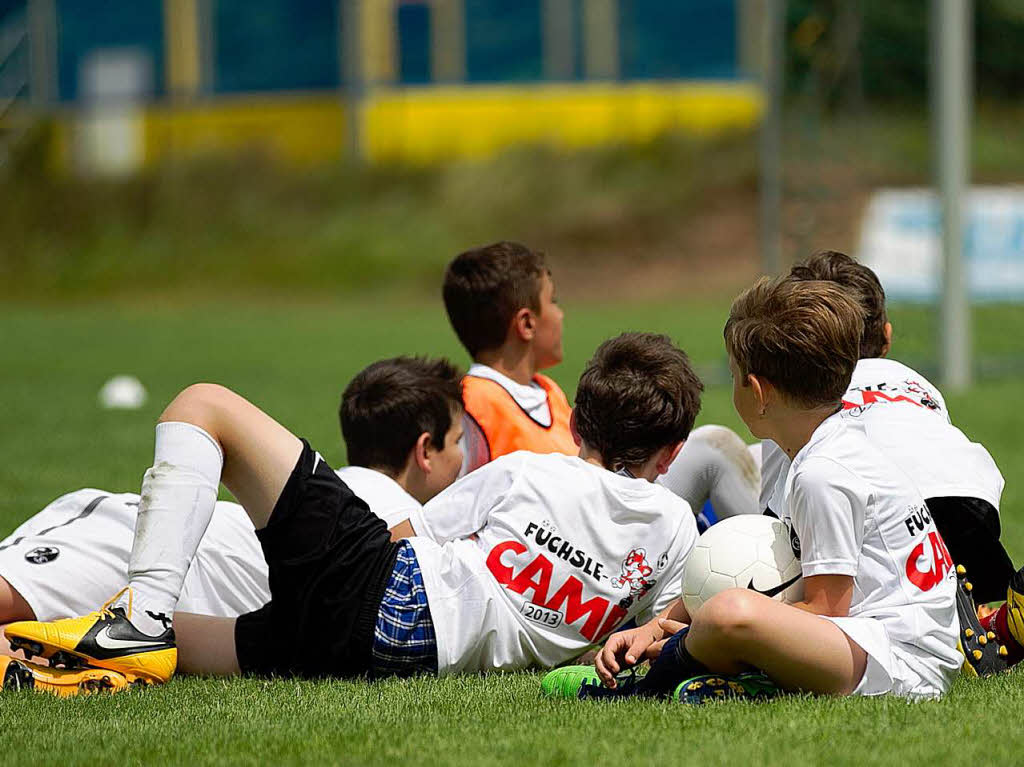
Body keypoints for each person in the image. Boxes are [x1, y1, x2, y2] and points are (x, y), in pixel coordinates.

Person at [4, 332, 703, 693]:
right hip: (384, 663)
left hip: (376, 594)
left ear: (577, 423)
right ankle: (52, 648)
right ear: (671, 453)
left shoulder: (526, 471)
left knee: (203, 405)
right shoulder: (672, 528)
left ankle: (138, 621)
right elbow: (653, 631)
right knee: (178, 643)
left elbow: (406, 532)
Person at [544, 278, 960, 702]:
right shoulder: (818, 445)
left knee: (730, 613)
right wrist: (650, 627)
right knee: (734, 571)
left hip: (900, 662)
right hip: (867, 645)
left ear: (759, 393)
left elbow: (825, 611)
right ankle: (728, 674)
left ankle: (649, 685)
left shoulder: (825, 473)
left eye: (735, 377)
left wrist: (699, 635)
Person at [0, 356, 465, 692]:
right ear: (425, 451)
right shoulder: (391, 515)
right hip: (143, 563)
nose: (464, 459)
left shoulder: (336, 499)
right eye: (459, 442)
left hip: (120, 524)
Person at [761, 251, 1013, 675]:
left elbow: (774, 518)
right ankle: (985, 617)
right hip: (969, 505)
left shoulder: (795, 402)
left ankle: (947, 623)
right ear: (887, 337)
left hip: (888, 521)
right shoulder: (912, 380)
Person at [442, 242, 576, 475]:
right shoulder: (468, 407)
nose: (560, 313)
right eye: (553, 301)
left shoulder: (551, 394)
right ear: (526, 324)